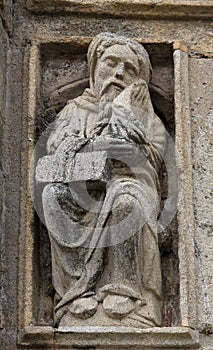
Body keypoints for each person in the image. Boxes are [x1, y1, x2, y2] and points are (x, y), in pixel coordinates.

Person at [41, 33, 167, 328]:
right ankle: (75, 293)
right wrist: (96, 149)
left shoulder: (147, 118)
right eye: (111, 63)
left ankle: (124, 290)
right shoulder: (73, 111)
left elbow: (149, 160)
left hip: (130, 186)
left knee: (126, 200)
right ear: (95, 69)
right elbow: (55, 154)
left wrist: (125, 121)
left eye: (129, 69)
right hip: (80, 191)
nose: (118, 73)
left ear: (138, 82)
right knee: (52, 196)